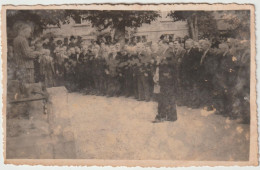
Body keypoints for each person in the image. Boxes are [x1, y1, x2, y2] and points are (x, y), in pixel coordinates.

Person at [153, 43, 178, 122]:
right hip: (164, 80)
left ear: (165, 45)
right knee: (165, 98)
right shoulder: (163, 53)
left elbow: (174, 64)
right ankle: (167, 116)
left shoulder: (169, 52)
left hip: (168, 80)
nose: (159, 46)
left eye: (160, 45)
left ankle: (168, 116)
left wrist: (163, 62)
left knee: (168, 98)